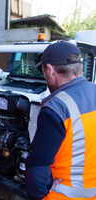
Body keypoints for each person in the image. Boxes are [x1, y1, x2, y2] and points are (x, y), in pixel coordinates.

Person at [25, 41, 96, 200]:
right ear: (80, 68)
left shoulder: (56, 108)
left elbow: (37, 173)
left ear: (49, 70)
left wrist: (38, 194)